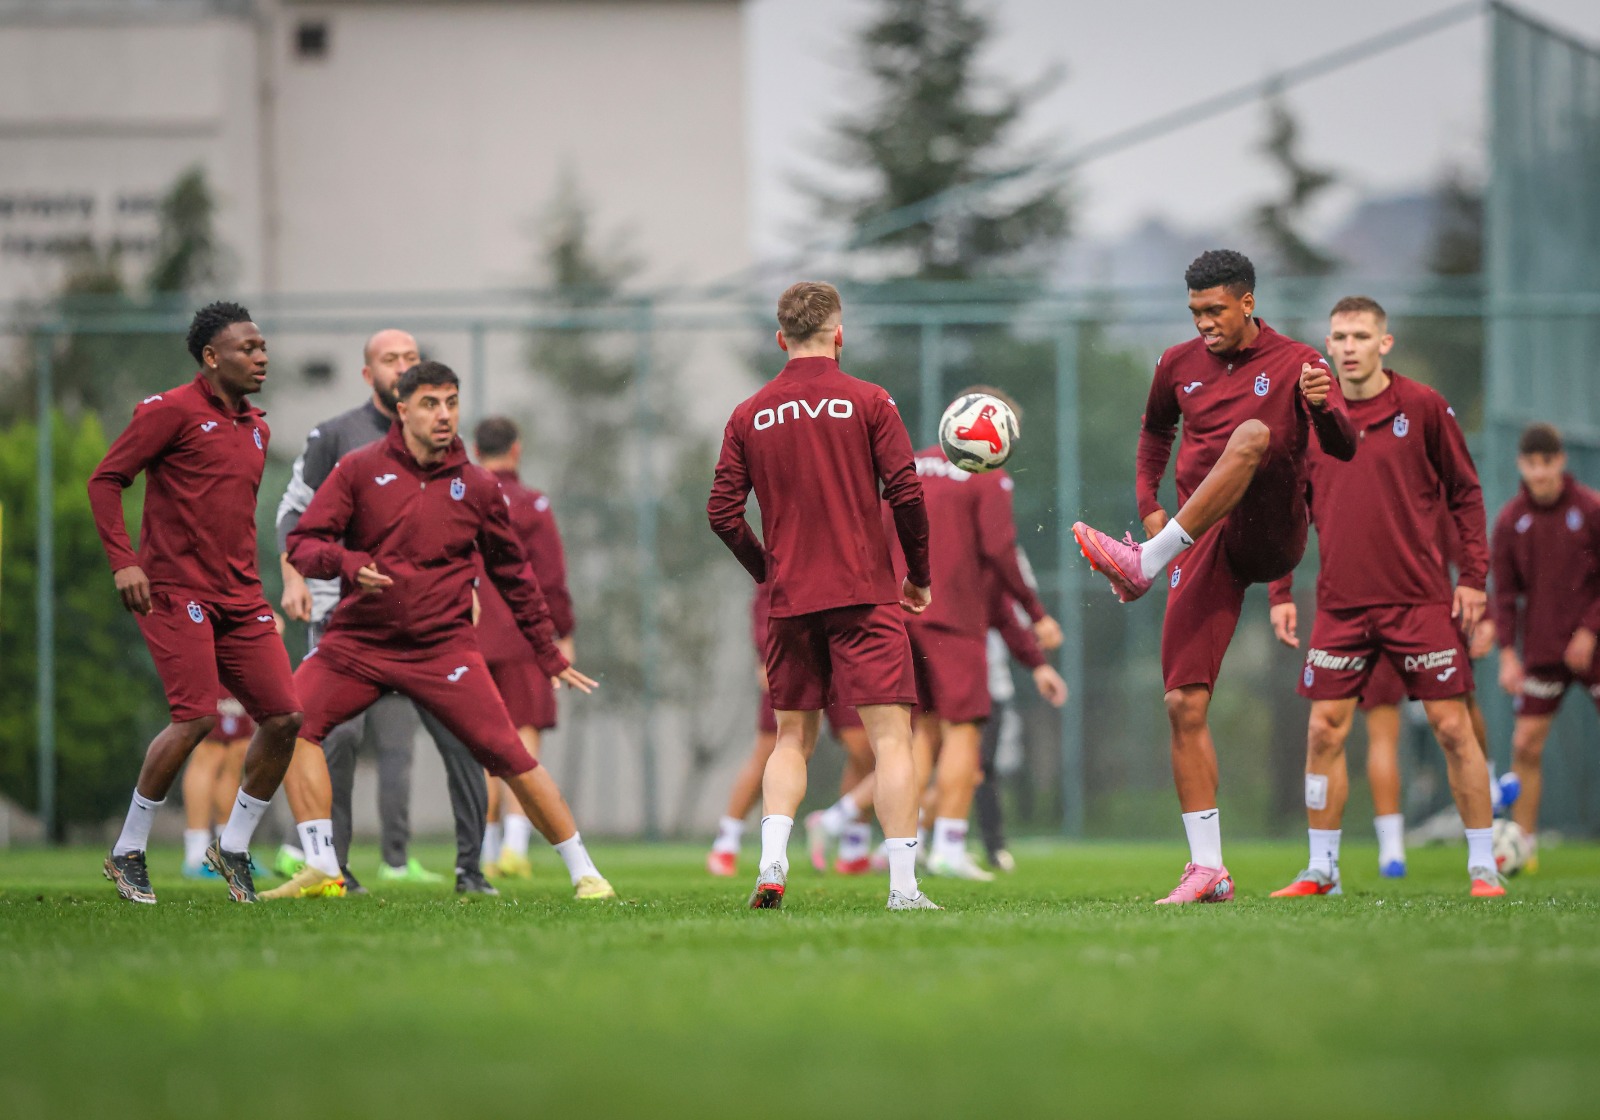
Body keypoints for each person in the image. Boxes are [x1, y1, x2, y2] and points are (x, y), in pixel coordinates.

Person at [267, 361, 612, 902]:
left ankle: (585, 873)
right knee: (289, 721)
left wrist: (548, 652)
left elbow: (515, 574)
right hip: (358, 643)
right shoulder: (358, 469)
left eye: (451, 402)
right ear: (402, 410)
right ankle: (321, 864)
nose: (444, 414)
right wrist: (348, 562)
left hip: (442, 649)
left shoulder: (477, 485)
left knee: (510, 754)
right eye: (431, 403)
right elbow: (303, 544)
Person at [1073, 250, 1357, 904]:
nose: (1204, 322)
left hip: (1271, 527)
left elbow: (1344, 448)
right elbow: (1154, 434)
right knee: (1183, 704)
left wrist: (1321, 409)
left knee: (1252, 435)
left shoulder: (1299, 362)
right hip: (1201, 541)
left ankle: (1145, 562)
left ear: (1248, 303)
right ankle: (1208, 869)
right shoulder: (1176, 364)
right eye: (1195, 311)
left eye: (1215, 310)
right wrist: (1148, 504)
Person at [707, 280, 938, 910]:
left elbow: (722, 513)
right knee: (892, 740)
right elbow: (906, 492)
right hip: (864, 593)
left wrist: (768, 570)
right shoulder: (870, 399)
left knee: (791, 739)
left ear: (781, 339)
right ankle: (903, 888)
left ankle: (772, 863)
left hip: (790, 600)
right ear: (839, 334)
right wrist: (918, 574)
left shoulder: (749, 412)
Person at [1264, 296, 1501, 898]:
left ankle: (1484, 867)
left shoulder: (1422, 407)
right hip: (1341, 606)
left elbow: (1466, 493)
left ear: (1383, 343)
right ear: (1328, 344)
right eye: (1340, 337)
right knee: (1324, 731)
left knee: (1452, 728)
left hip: (1419, 602)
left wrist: (1473, 578)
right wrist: (1281, 590)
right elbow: (1289, 510)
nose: (1349, 347)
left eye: (1361, 336)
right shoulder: (1310, 416)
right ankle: (1322, 870)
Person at [88, 301, 303, 904]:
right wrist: (124, 561)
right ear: (211, 357)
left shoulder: (257, 428)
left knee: (285, 717)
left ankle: (232, 846)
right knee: (197, 719)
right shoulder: (170, 410)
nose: (261, 357)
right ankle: (128, 850)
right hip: (175, 591)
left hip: (241, 596)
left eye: (262, 347)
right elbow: (105, 480)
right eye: (247, 348)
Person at [276, 329, 487, 893]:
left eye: (410, 358)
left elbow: (463, 526)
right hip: (348, 624)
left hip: (427, 627)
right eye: (390, 359)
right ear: (369, 375)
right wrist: (294, 576)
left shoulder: (445, 442)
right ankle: (334, 867)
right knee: (336, 739)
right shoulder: (336, 437)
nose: (402, 366)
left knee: (461, 736)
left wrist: (466, 586)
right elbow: (293, 518)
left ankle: (469, 870)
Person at [469, 416, 583, 880]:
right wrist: (563, 632)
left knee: (483, 744)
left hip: (471, 637)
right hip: (521, 637)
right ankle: (515, 847)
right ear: (516, 449)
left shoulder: (465, 499)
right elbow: (551, 577)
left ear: (476, 451)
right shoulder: (534, 504)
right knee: (523, 737)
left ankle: (484, 849)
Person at [707, 583, 876, 878]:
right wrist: (765, 651)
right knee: (773, 747)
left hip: (844, 641)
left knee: (864, 747)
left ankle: (853, 845)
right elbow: (766, 584)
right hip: (797, 641)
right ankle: (727, 841)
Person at [1491, 422, 1600, 867]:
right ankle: (1525, 846)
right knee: (1525, 745)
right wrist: (1507, 655)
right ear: (1521, 464)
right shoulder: (1510, 521)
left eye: (1547, 462)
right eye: (1532, 463)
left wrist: (1590, 630)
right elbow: (1503, 595)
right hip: (1543, 652)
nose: (1540, 472)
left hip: (1595, 646)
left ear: (1561, 461)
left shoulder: (1590, 508)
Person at [180, 695, 254, 878]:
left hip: (241, 677)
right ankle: (196, 855)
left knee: (237, 751)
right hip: (212, 677)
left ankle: (227, 850)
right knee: (209, 748)